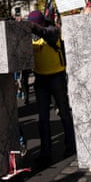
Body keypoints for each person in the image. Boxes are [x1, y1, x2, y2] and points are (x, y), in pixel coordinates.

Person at [27, 10, 75, 164]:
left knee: (63, 112)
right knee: (43, 118)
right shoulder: (31, 36)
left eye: (33, 22)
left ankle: (71, 145)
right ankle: (45, 152)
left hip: (56, 77)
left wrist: (32, 27)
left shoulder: (52, 30)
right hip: (41, 78)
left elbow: (45, 33)